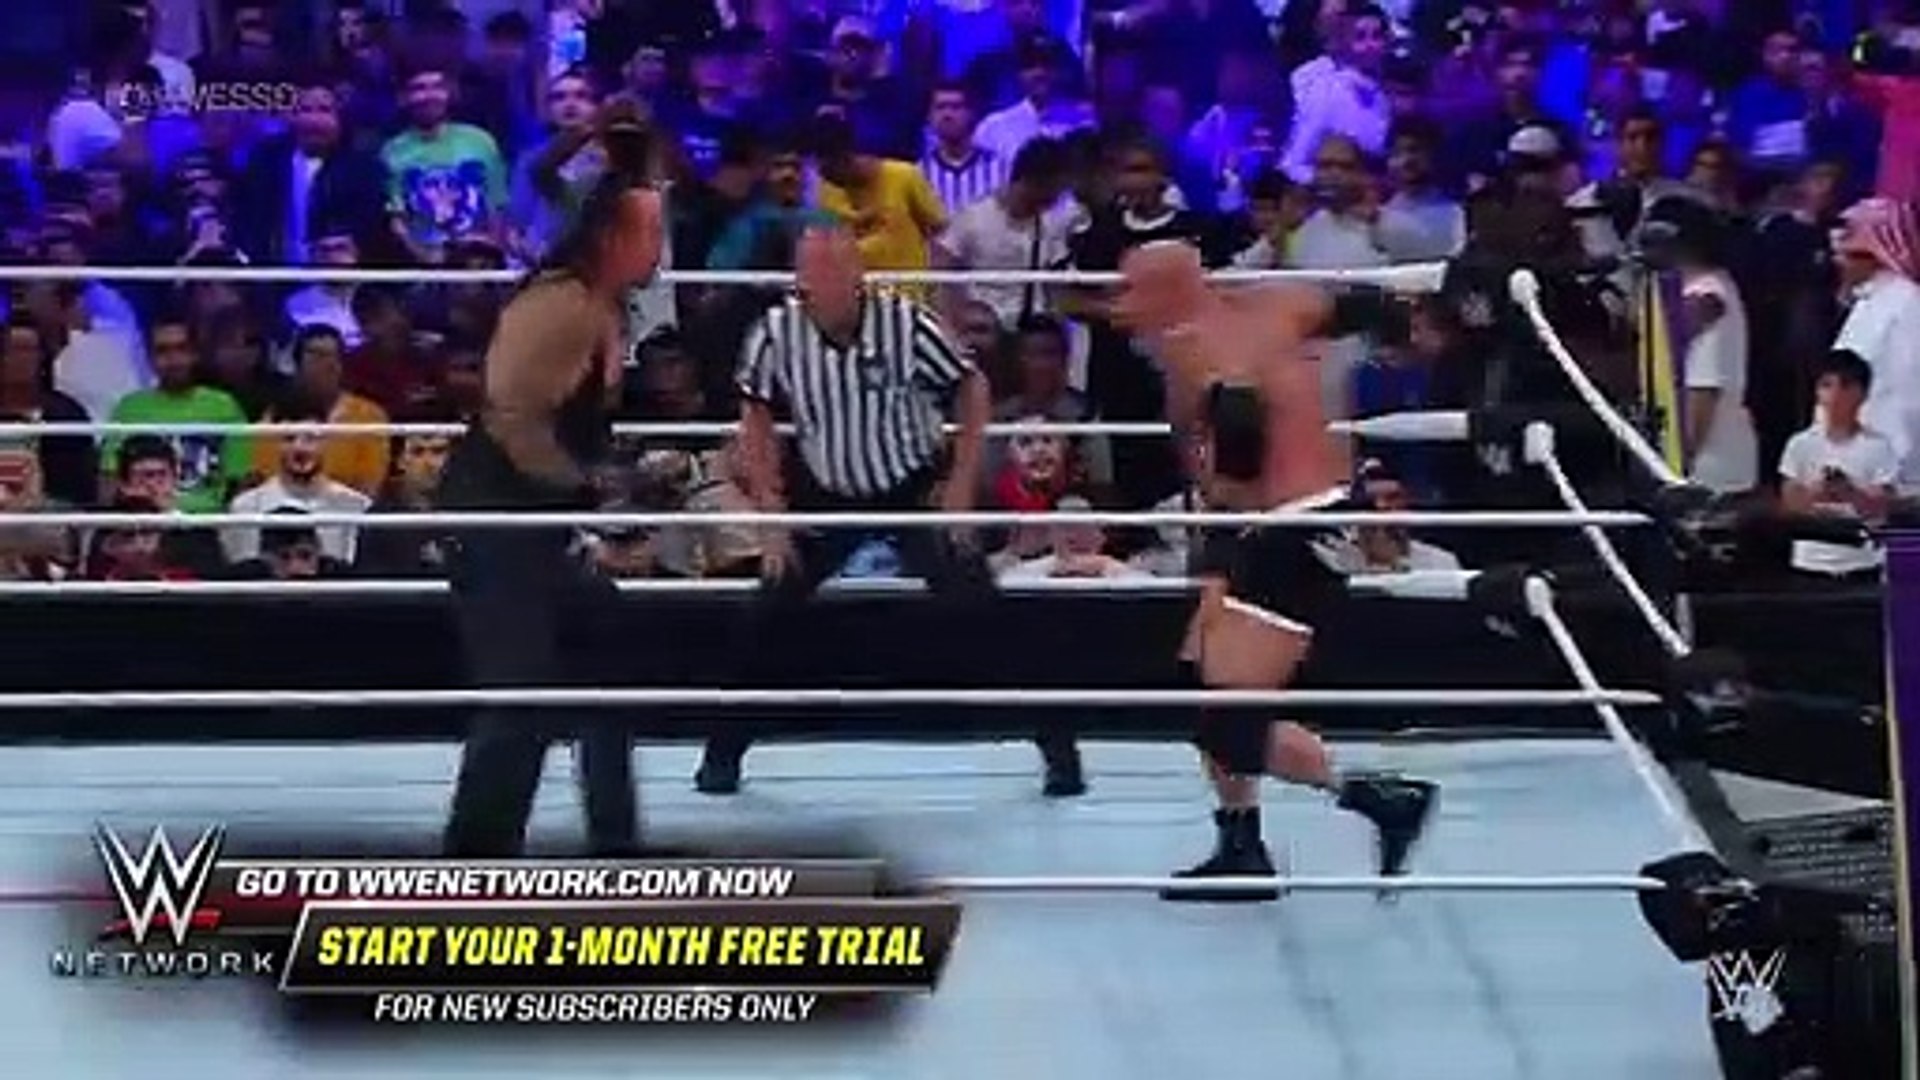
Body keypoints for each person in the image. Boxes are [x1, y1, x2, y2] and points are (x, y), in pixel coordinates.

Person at [1110, 240, 1437, 901]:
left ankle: (1380, 798)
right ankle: (1242, 843)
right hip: (1301, 515)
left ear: (1171, 290)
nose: (1122, 307)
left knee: (1223, 715)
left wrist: (1221, 531)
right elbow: (1367, 307)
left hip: (1283, 528)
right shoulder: (1280, 303)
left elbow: (1234, 456)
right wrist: (1412, 338)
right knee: (1199, 679)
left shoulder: (1190, 350)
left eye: (1133, 290)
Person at [432, 111, 665, 858]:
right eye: (650, 231)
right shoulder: (558, 304)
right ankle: (473, 861)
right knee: (522, 693)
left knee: (604, 652)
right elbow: (512, 417)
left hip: (536, 516)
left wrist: (623, 476)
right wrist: (590, 488)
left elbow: (573, 427)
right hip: (494, 516)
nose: (661, 245)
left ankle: (616, 841)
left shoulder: (602, 305)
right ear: (612, 237)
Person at [694, 224, 998, 795]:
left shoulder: (906, 323)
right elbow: (755, 416)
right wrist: (771, 515)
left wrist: (960, 484)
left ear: (859, 276)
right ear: (800, 281)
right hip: (827, 492)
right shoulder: (776, 332)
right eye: (814, 275)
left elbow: (971, 386)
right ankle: (721, 756)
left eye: (837, 272)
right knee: (763, 615)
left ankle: (1058, 747)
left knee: (981, 607)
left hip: (912, 489)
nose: (826, 286)